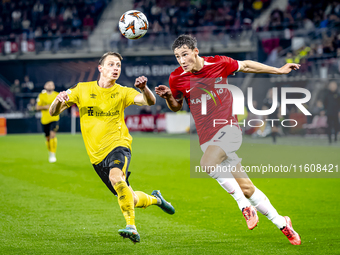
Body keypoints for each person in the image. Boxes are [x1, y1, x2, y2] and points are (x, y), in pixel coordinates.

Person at [155, 35, 301, 245]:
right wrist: (169, 97)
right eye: (177, 56)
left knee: (206, 164)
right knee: (247, 188)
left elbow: (247, 66)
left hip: (228, 129)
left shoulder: (218, 63)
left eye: (185, 54)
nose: (181, 60)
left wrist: (278, 70)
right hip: (207, 138)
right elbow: (177, 106)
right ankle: (282, 223)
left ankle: (244, 206)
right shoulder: (176, 78)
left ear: (196, 52)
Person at [49, 52, 175, 244]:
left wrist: (144, 89)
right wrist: (58, 100)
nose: (115, 68)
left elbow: (149, 101)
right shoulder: (82, 89)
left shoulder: (123, 92)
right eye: (111, 64)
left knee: (116, 177)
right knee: (130, 198)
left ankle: (131, 226)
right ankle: (156, 199)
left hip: (119, 145)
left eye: (118, 65)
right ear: (101, 68)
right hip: (96, 156)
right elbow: (53, 112)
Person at [36, 81, 59, 163]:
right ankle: (50, 152)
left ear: (54, 86)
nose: (50, 86)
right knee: (48, 138)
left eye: (52, 84)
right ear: (45, 86)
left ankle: (53, 154)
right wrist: (44, 107)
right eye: (48, 84)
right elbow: (37, 107)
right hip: (45, 120)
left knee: (53, 135)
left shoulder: (57, 95)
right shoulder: (41, 96)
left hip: (54, 118)